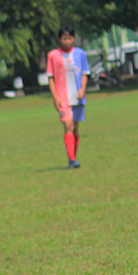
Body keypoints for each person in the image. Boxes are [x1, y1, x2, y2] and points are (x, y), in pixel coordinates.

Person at [46, 26, 90, 169]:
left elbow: (84, 73)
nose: (67, 41)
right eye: (64, 38)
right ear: (59, 39)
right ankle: (71, 160)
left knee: (75, 128)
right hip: (62, 97)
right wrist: (55, 97)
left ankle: (73, 158)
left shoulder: (80, 53)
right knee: (68, 125)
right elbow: (51, 78)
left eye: (70, 38)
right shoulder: (53, 55)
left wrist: (83, 89)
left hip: (77, 97)